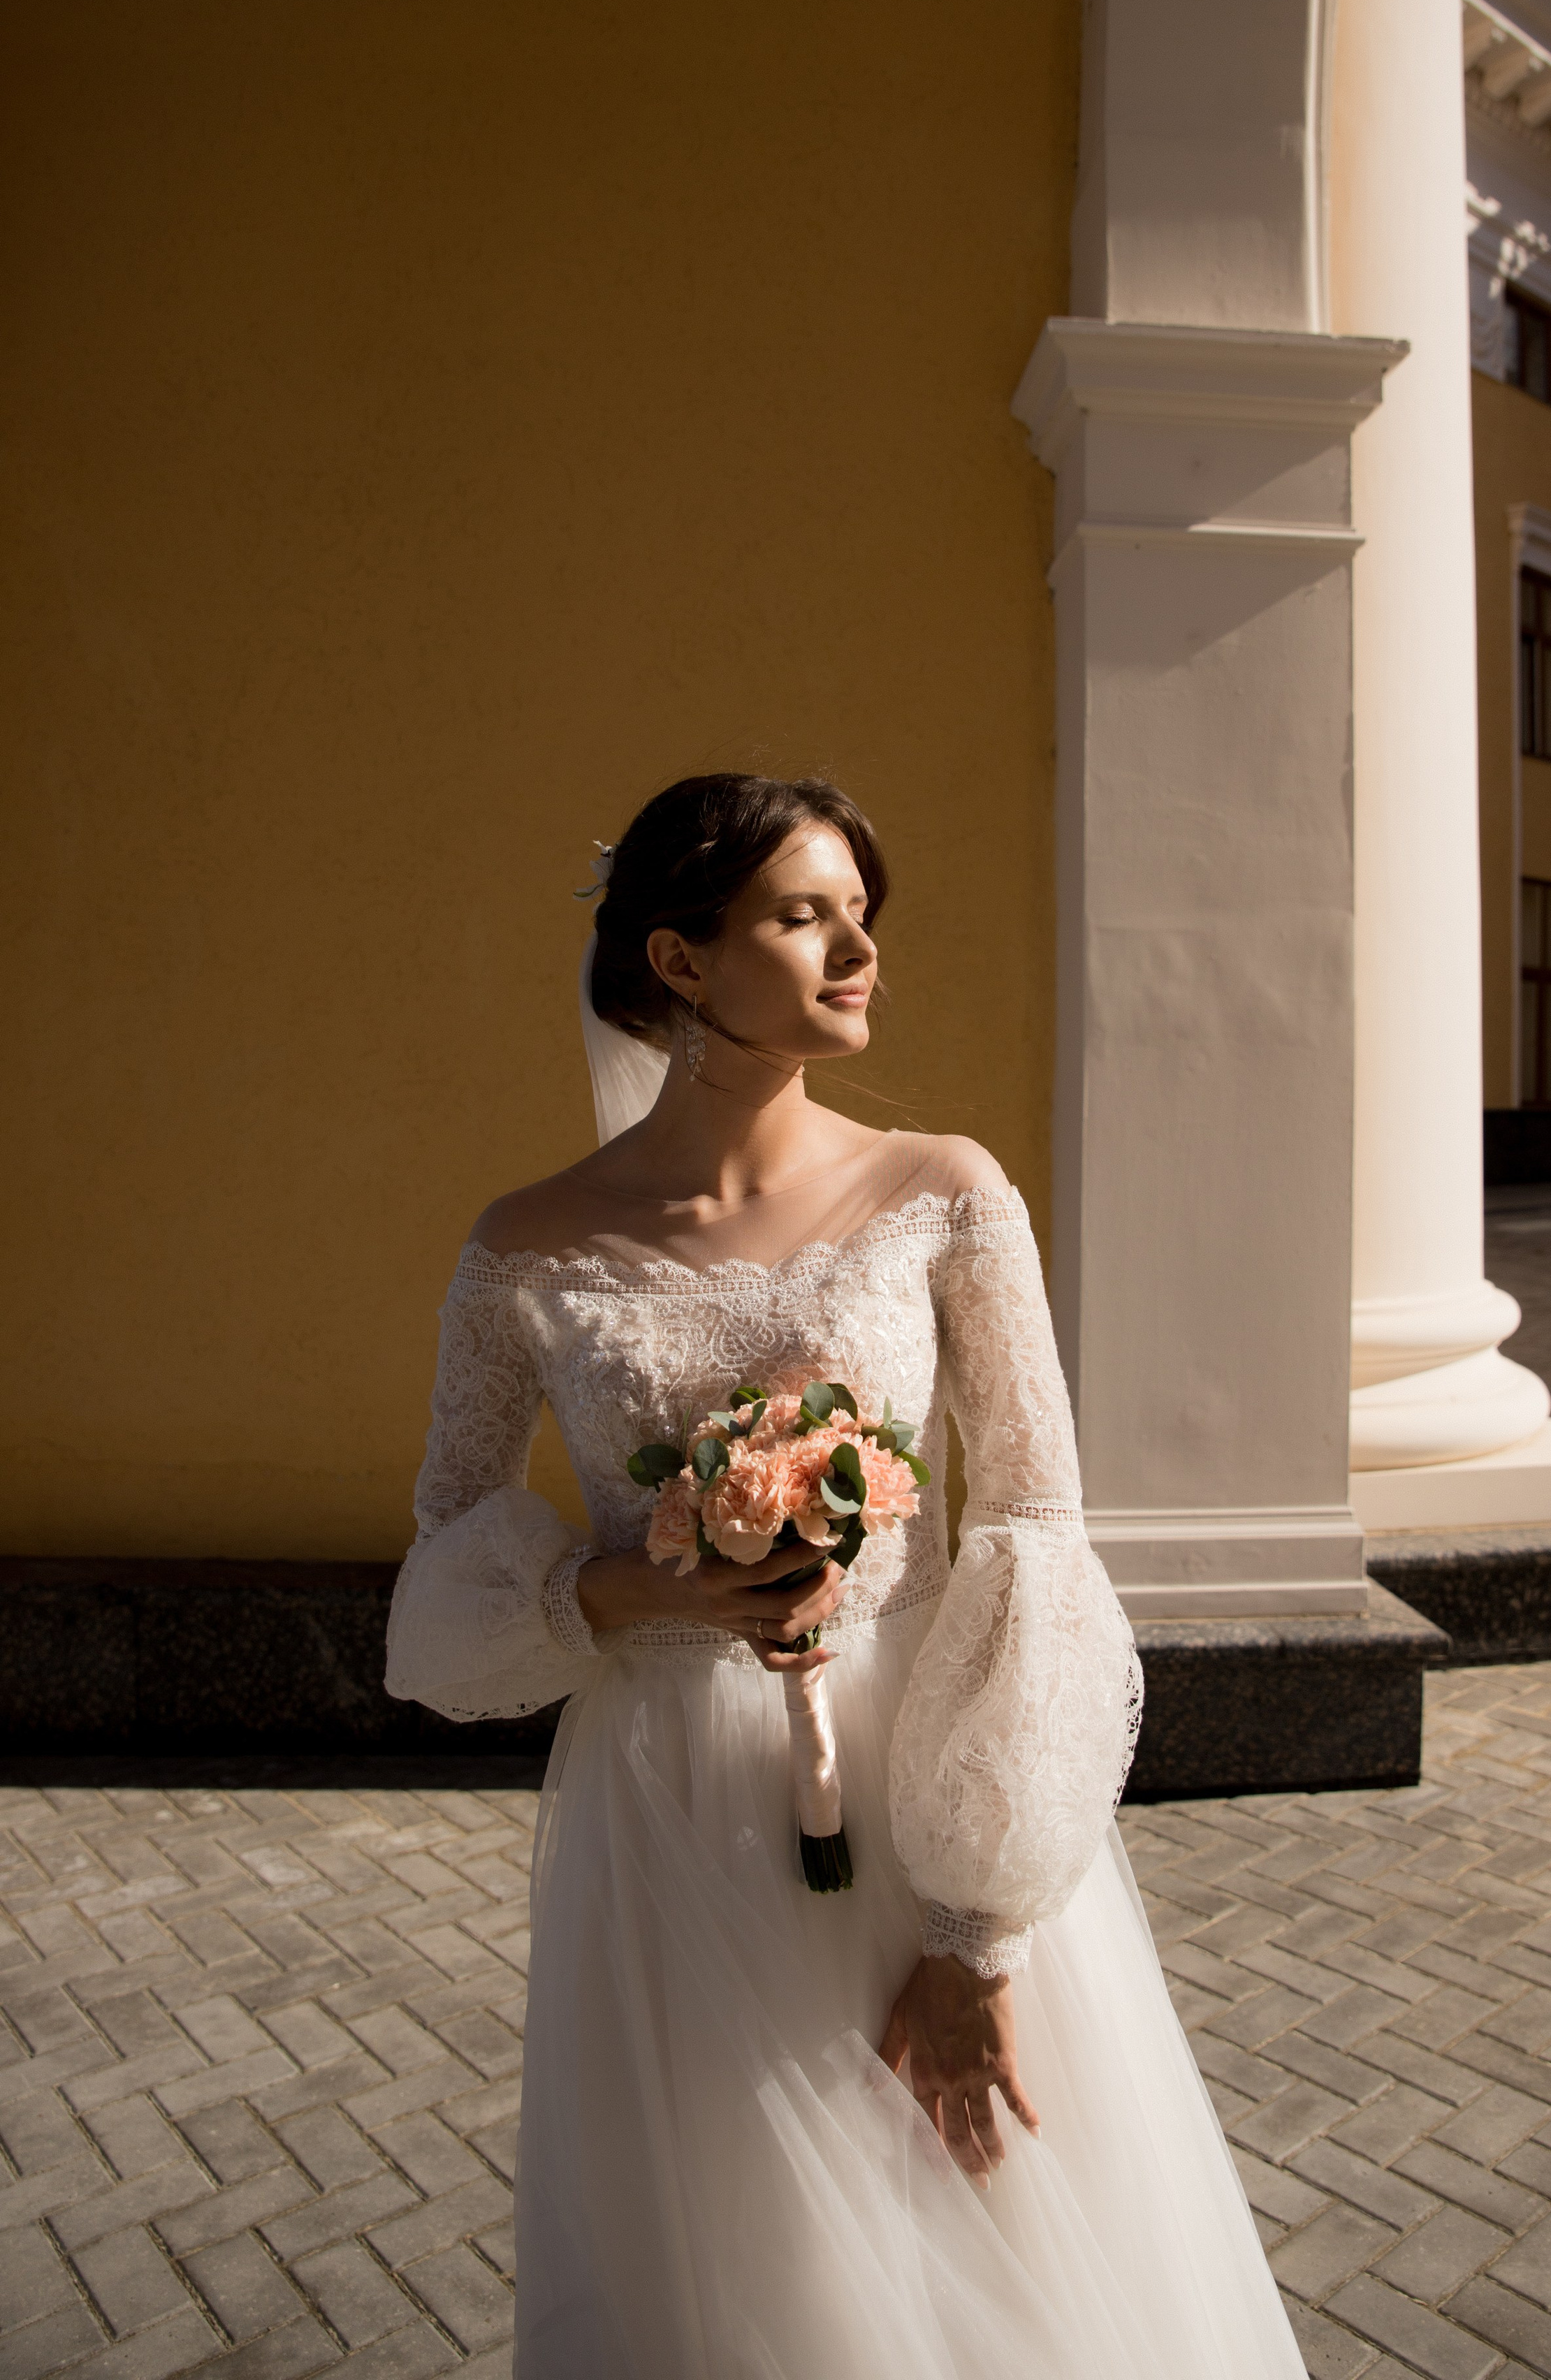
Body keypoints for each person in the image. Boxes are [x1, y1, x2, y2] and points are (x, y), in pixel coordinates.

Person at [386, 772, 1306, 2379]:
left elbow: (1028, 1528)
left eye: (860, 915)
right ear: (679, 961)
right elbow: (452, 1550)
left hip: (919, 1784)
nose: (856, 948)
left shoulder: (943, 1190)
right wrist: (639, 1592)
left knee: (971, 2244)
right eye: (804, 916)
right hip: (665, 1802)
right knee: (723, 2250)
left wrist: (972, 1939)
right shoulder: (526, 1243)